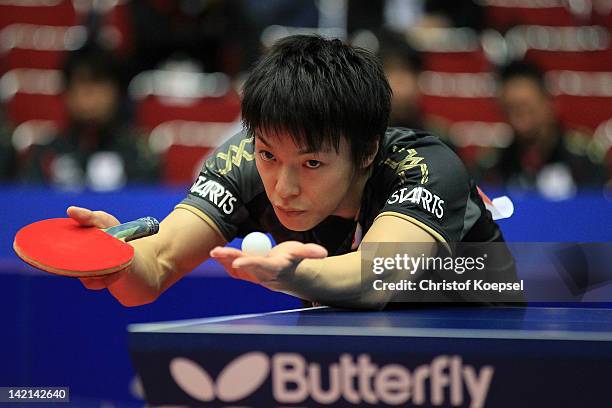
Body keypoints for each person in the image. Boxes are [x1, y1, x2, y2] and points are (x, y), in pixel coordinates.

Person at [69, 35, 517, 309]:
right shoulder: (241, 161)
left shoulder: (426, 166)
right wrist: (119, 261)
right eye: (268, 156)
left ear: (366, 152)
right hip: (352, 360)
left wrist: (290, 277)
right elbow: (155, 268)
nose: (284, 187)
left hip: (480, 354)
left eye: (312, 163)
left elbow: (376, 278)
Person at [21, 47, 159, 190]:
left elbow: (143, 206)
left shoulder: (138, 155)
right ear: (67, 92)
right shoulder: (46, 153)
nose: (90, 93)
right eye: (82, 82)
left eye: (99, 82)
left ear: (116, 92)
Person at [490, 61, 605, 198]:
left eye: (526, 108)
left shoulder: (583, 160)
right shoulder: (494, 165)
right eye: (511, 108)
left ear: (548, 104)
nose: (519, 118)